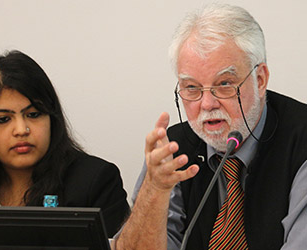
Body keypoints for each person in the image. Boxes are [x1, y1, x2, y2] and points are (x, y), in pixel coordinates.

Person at [116, 3, 307, 250]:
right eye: (192, 88)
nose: (207, 104)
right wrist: (154, 190)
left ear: (260, 80)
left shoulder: (301, 141)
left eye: (225, 83)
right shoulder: (173, 150)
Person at [0, 50, 130, 249]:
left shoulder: (95, 181)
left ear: (52, 118)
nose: (21, 130)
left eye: (34, 114)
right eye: (3, 119)